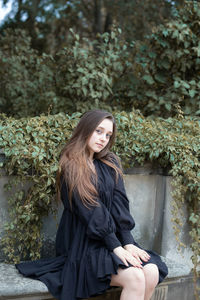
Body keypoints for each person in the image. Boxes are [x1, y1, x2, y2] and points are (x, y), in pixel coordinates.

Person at [16, 109, 168, 300]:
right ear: (85, 129)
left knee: (151, 271)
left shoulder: (110, 162)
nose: (103, 138)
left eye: (108, 135)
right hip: (83, 242)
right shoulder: (71, 164)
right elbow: (90, 209)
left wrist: (127, 241)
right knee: (135, 277)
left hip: (112, 240)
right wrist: (116, 246)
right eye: (98, 131)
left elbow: (119, 203)